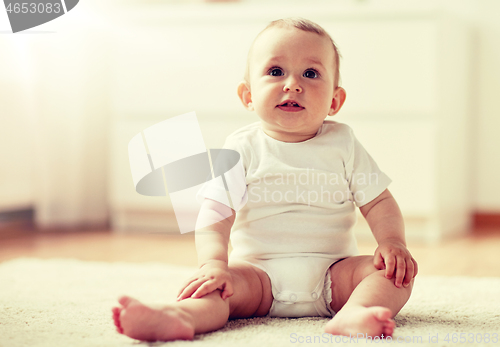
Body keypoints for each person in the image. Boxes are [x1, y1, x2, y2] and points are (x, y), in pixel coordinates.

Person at [111, 17, 418, 342]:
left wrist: (393, 243)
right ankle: (179, 316)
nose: (292, 84)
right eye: (275, 72)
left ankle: (356, 312)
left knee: (395, 276)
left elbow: (379, 201)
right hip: (258, 275)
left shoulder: (344, 143)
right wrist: (214, 263)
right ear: (247, 95)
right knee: (218, 287)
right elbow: (216, 213)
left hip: (335, 273)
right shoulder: (241, 148)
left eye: (310, 74)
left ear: (334, 101)